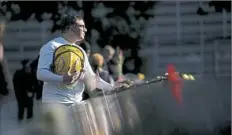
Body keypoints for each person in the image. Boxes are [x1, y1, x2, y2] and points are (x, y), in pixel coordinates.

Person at [37, 14, 129, 105]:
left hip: (76, 104)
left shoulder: (80, 50)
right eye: (82, 26)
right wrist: (62, 79)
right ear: (71, 28)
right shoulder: (51, 46)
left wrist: (113, 87)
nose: (85, 30)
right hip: (56, 105)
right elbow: (41, 73)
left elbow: (91, 78)